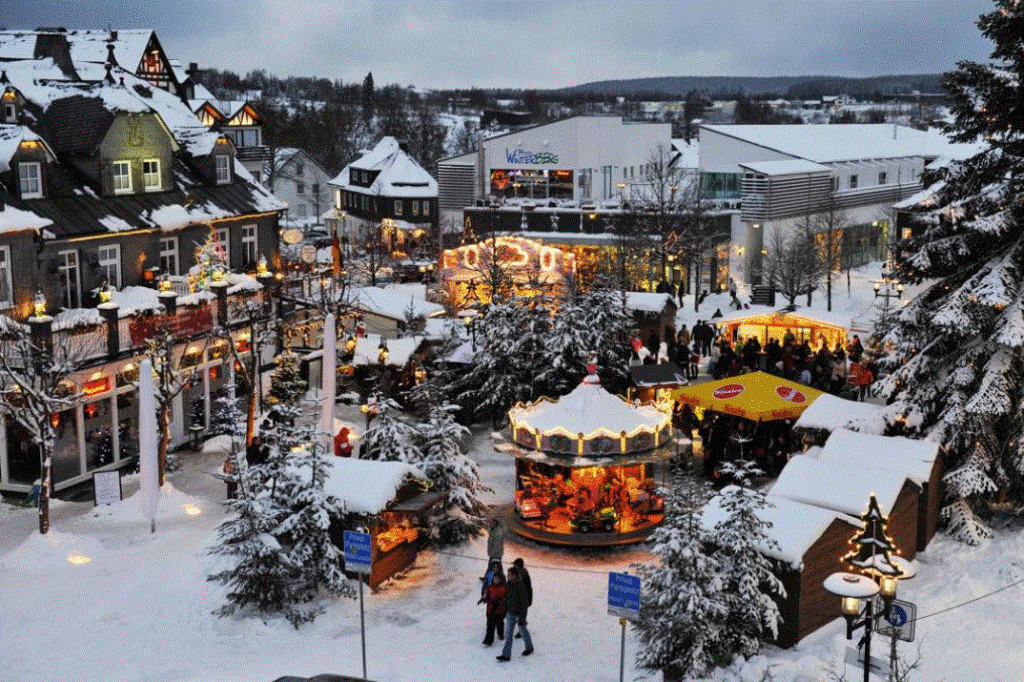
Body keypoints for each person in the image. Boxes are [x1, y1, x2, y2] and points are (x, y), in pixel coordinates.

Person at [497, 565, 534, 660]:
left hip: (518, 614)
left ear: (514, 576)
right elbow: (508, 597)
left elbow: (524, 603)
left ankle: (529, 648)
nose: (507, 576)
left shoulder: (521, 586)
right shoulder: (508, 584)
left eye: (509, 574)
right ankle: (506, 655)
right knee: (508, 634)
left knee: (523, 631)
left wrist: (522, 618)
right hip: (510, 613)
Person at [480, 570, 507, 646]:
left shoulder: (503, 588)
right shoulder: (490, 587)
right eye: (494, 578)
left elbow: (506, 598)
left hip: (500, 611)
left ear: (501, 580)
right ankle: (488, 640)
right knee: (490, 625)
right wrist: (484, 599)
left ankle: (500, 634)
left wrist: (500, 602)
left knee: (499, 623)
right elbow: (488, 596)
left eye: (497, 579)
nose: (495, 580)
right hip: (490, 610)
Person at [511, 557, 533, 639]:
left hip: (522, 599)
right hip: (524, 598)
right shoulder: (524, 572)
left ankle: (521, 631)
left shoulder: (520, 574)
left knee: (520, 616)